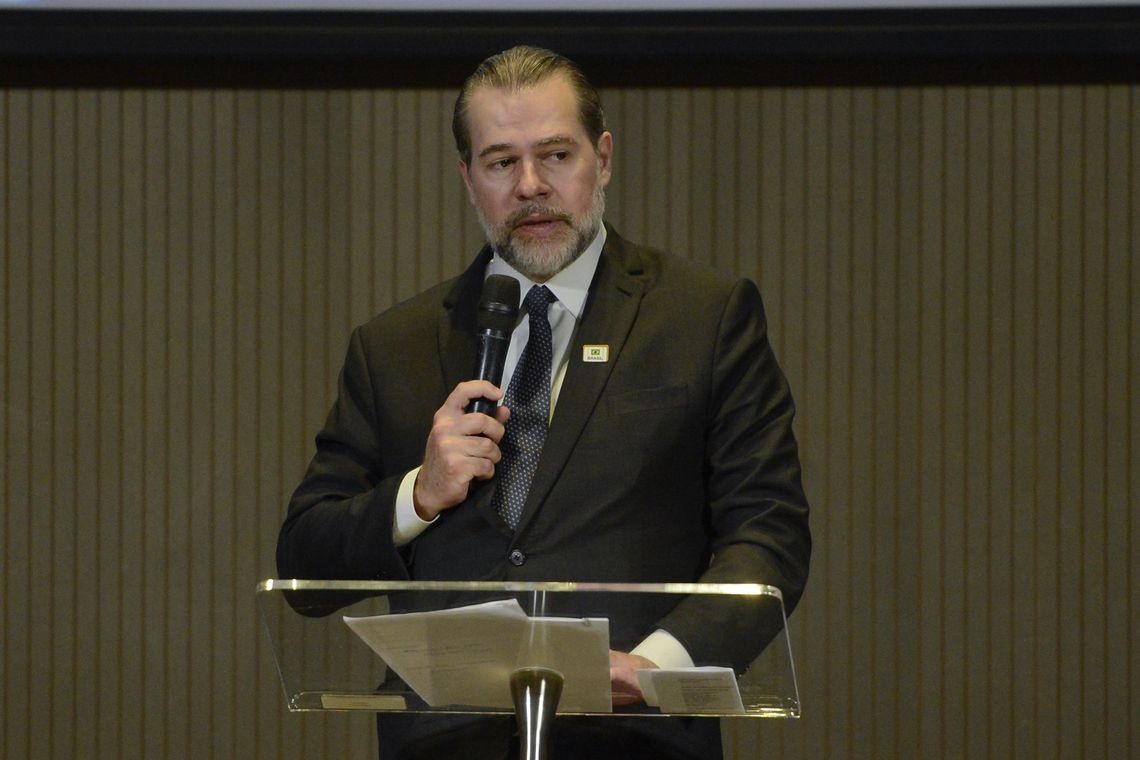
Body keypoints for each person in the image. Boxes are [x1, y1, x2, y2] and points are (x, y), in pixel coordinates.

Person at [277, 45, 811, 760]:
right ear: (468, 179)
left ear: (605, 158)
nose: (530, 186)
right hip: (445, 742)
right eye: (501, 162)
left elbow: (768, 534)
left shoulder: (704, 317)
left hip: (637, 735)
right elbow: (304, 568)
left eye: (556, 155)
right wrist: (418, 496)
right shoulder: (394, 345)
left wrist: (657, 665)